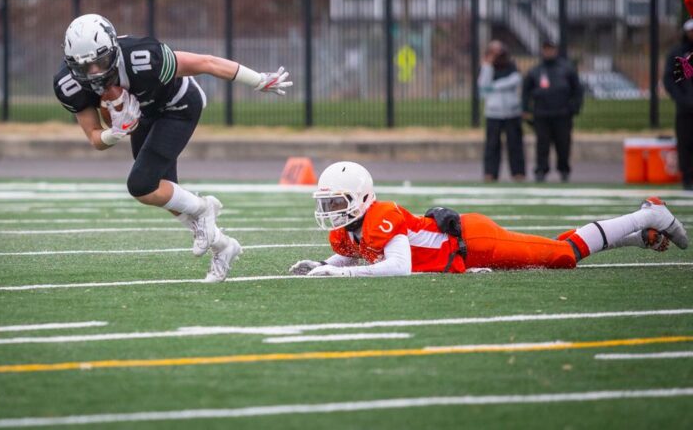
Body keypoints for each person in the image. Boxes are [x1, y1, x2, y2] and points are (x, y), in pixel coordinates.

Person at [53, 13, 292, 282]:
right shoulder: (68, 84)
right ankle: (224, 247)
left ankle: (204, 209)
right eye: (85, 67)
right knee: (168, 193)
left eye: (100, 62)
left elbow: (206, 62)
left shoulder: (142, 57)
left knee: (142, 185)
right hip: (144, 115)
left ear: (113, 50)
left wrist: (258, 81)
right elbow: (95, 138)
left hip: (178, 106)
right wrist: (114, 133)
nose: (94, 72)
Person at [288, 162, 688, 278]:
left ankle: (647, 212)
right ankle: (635, 237)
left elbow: (398, 265)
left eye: (335, 202)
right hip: (467, 250)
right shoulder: (351, 231)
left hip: (476, 242)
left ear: (360, 198)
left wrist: (342, 274)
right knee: (554, 249)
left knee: (563, 254)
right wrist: (325, 265)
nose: (329, 212)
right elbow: (359, 253)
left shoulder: (382, 216)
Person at [522, 40, 583, 183]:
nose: (548, 52)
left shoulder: (567, 69)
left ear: (555, 50)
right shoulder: (535, 70)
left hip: (562, 114)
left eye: (551, 49)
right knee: (542, 144)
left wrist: (574, 108)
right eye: (546, 49)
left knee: (563, 144)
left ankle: (564, 170)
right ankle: (541, 170)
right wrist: (525, 109)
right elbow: (526, 92)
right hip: (542, 114)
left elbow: (577, 90)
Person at [477, 40, 525, 182]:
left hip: (512, 112)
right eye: (493, 51)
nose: (496, 54)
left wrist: (494, 86)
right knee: (492, 145)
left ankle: (518, 172)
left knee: (515, 144)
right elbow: (483, 87)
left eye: (498, 51)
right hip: (493, 112)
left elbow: (515, 80)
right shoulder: (487, 68)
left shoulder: (511, 66)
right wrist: (487, 65)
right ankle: (490, 173)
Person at [663, 19, 693, 191]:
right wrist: (682, 99)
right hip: (685, 108)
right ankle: (687, 178)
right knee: (685, 142)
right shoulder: (678, 54)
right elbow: (669, 79)